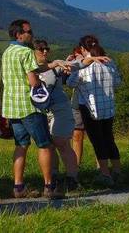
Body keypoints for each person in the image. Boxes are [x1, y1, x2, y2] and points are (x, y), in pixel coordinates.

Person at [0, 19, 61, 199]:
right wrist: (41, 83)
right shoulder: (26, 52)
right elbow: (32, 80)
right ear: (19, 34)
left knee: (21, 145)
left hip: (12, 107)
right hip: (29, 106)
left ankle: (18, 187)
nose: (31, 34)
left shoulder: (7, 52)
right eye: (28, 32)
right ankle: (49, 186)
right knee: (45, 145)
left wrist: (50, 65)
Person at [67, 35, 122, 186]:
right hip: (108, 107)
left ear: (83, 49)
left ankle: (105, 174)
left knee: (98, 141)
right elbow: (117, 82)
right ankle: (117, 171)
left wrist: (74, 64)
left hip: (90, 108)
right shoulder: (110, 62)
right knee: (109, 139)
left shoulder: (83, 66)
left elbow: (71, 83)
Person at [32, 40, 79, 192]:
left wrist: (87, 59)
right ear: (33, 51)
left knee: (61, 142)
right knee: (48, 145)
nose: (45, 52)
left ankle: (72, 179)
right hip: (42, 111)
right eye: (41, 49)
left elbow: (76, 65)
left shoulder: (55, 66)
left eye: (47, 49)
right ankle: (54, 176)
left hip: (60, 108)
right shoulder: (29, 68)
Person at [66, 46, 87, 166]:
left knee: (96, 137)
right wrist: (69, 63)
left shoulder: (92, 64)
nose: (77, 58)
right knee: (77, 135)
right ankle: (76, 166)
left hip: (91, 104)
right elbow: (66, 81)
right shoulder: (75, 68)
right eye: (75, 56)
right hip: (77, 103)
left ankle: (100, 167)